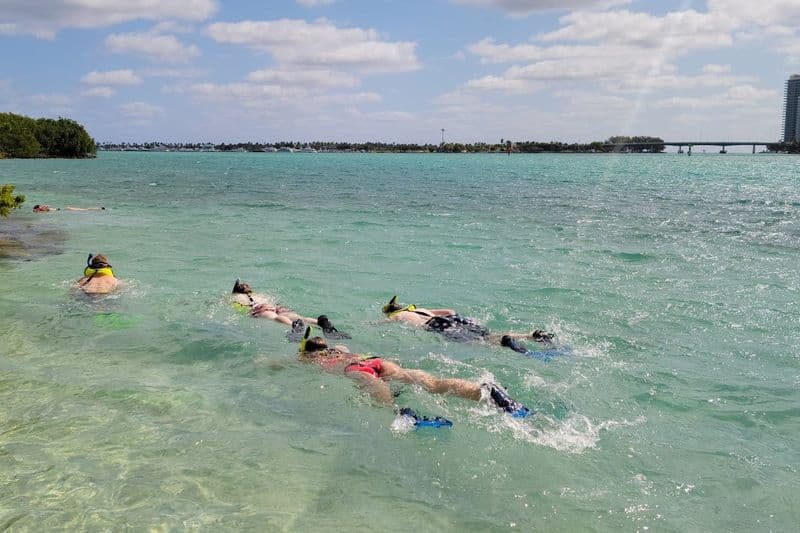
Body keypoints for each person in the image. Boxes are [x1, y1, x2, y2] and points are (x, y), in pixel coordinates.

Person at [298, 327, 531, 426]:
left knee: (377, 391)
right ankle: (486, 391)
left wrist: (299, 354)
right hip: (377, 360)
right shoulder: (340, 349)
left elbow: (291, 360)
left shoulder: (314, 358)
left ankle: (403, 415)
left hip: (357, 370)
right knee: (432, 383)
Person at [382, 295, 554, 348]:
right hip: (452, 319)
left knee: (479, 343)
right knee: (487, 334)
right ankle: (531, 335)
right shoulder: (417, 309)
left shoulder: (397, 316)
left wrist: (372, 325)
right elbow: (450, 311)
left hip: (435, 325)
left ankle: (506, 342)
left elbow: (390, 322)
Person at [231, 280, 350, 340]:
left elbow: (239, 306)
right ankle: (322, 323)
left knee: (275, 318)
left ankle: (294, 326)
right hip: (276, 305)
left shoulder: (237, 296)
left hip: (259, 308)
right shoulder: (260, 294)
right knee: (300, 317)